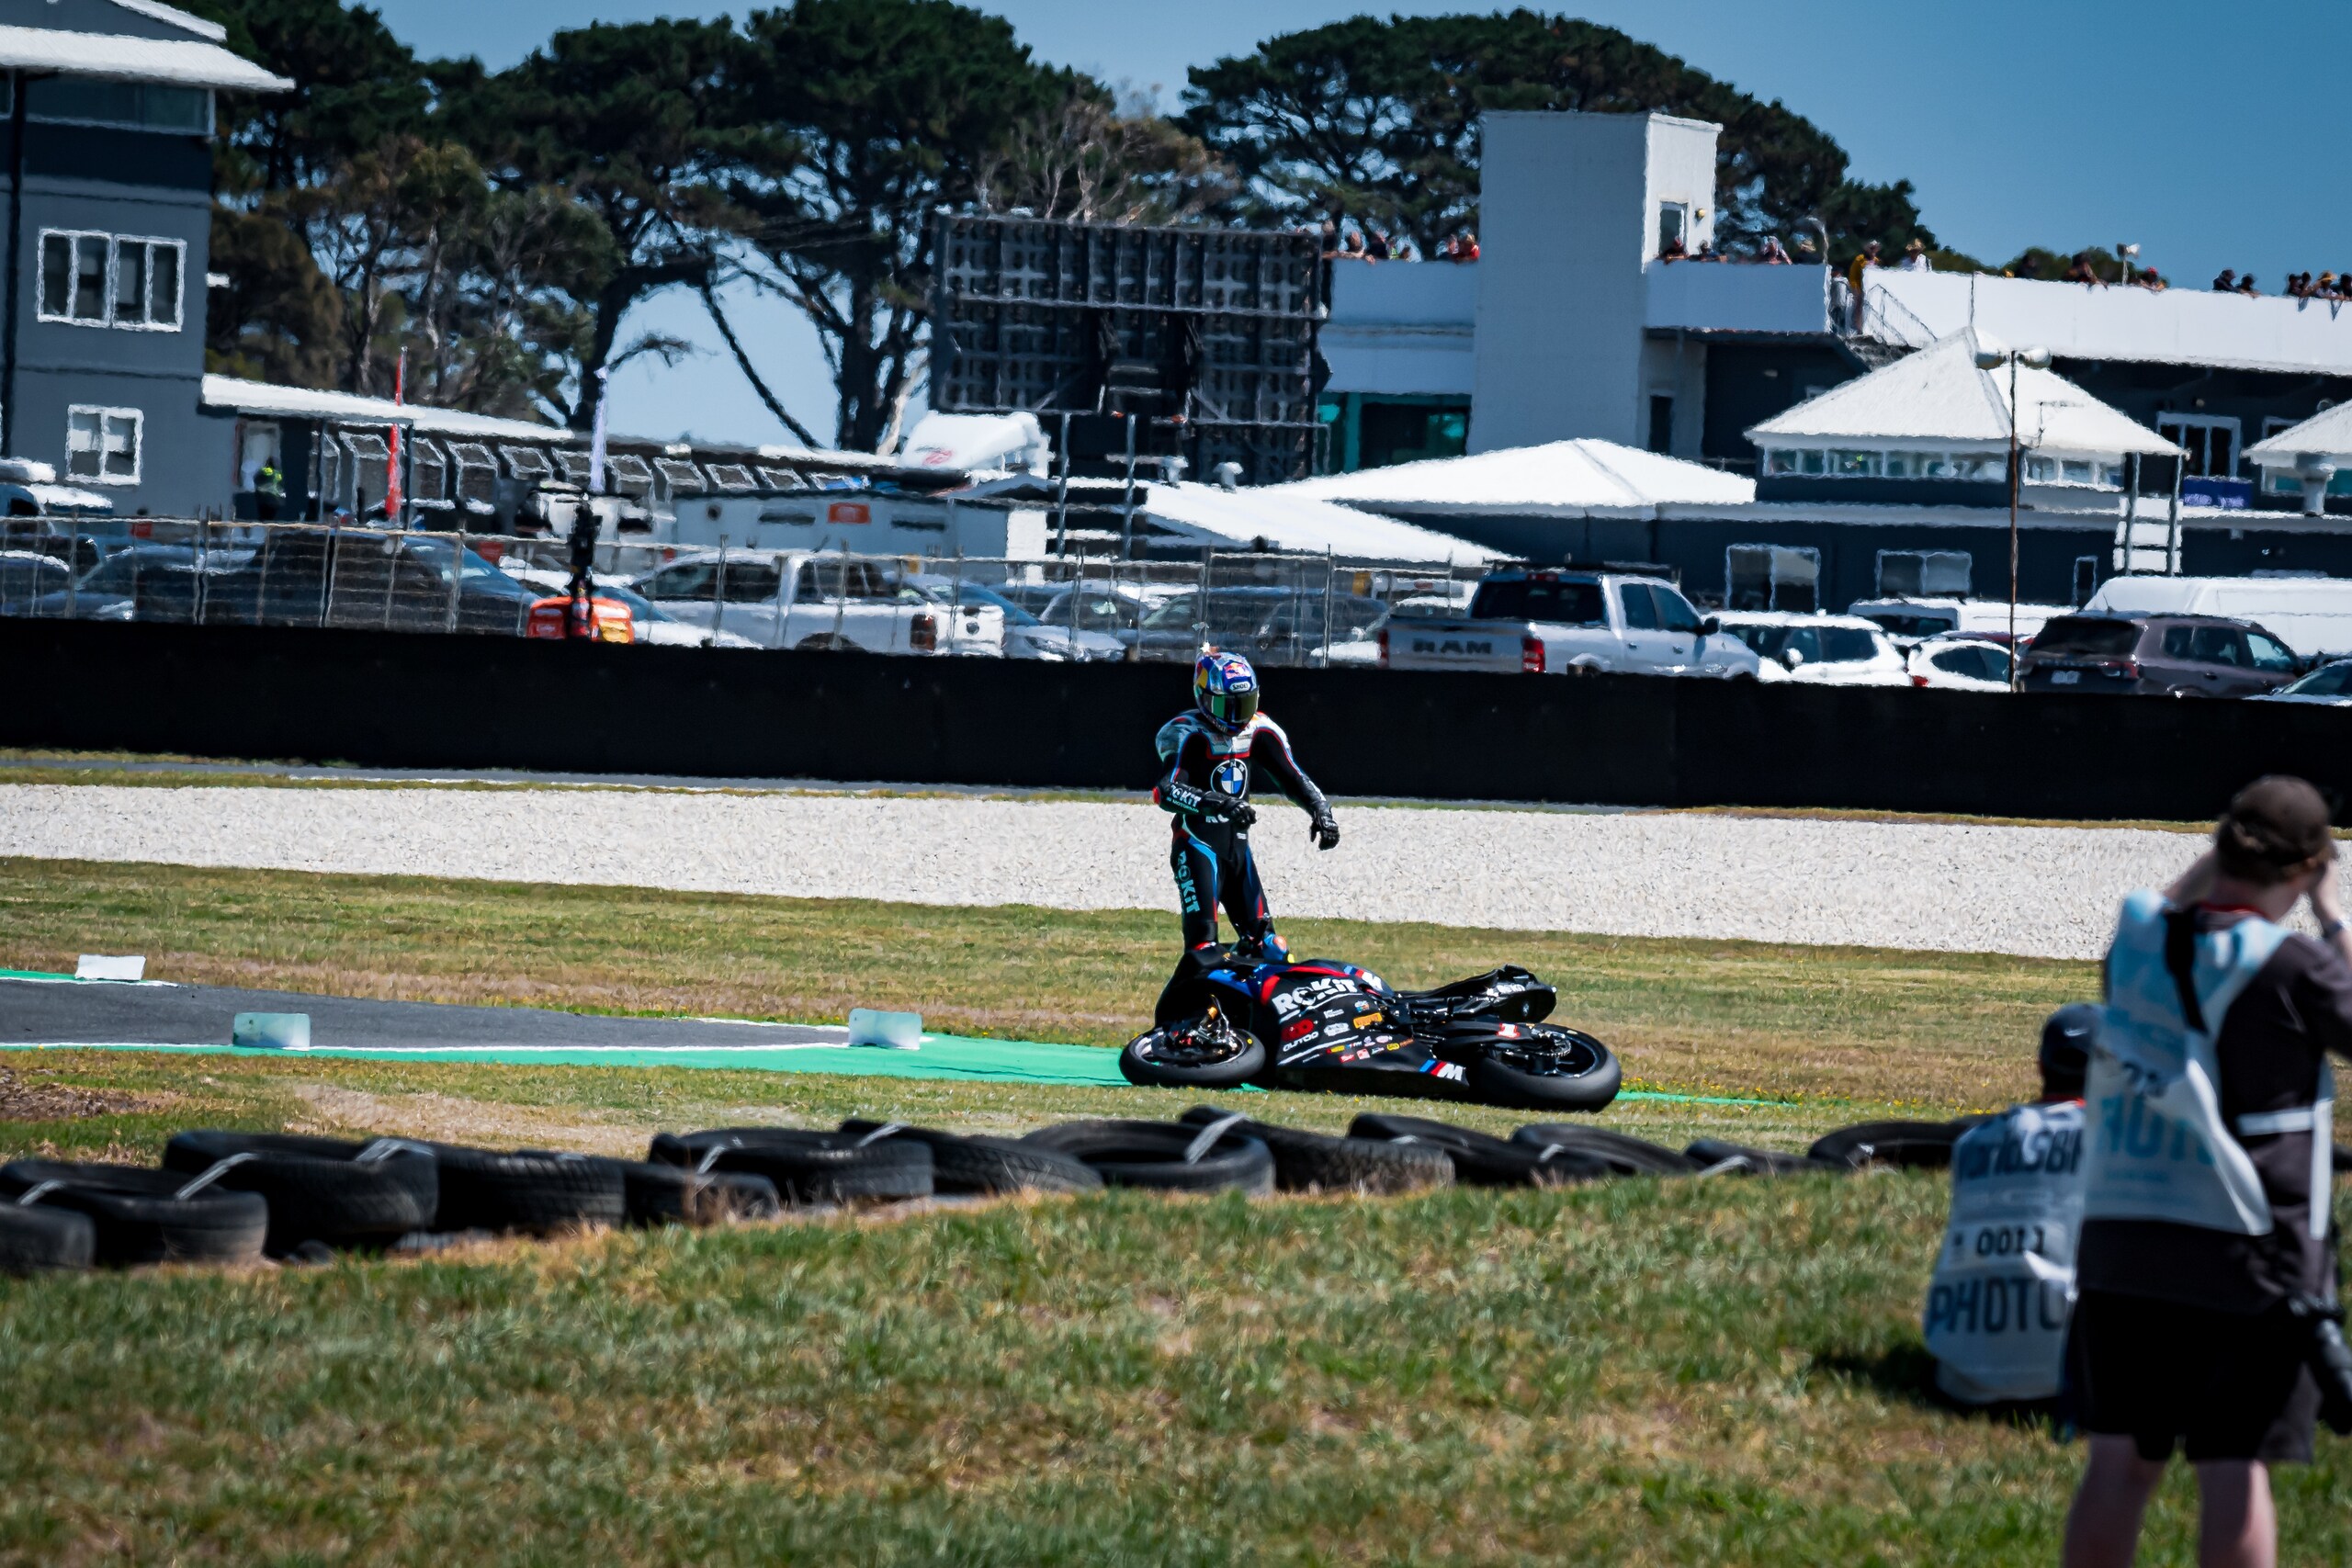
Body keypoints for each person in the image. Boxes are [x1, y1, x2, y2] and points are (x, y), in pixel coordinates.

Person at [2062, 776, 2352, 1568]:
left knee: (2118, 1462)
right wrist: (2332, 913)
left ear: (2222, 847)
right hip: (2248, 1251)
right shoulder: (2291, 964)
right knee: (2233, 1461)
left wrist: (2205, 867)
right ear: (2306, 867)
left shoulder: (2136, 942)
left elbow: (2153, 922)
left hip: (2123, 1237)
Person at [1923, 1005, 2093, 1405]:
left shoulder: (1971, 1144)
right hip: (2063, 1376)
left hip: (1958, 1372)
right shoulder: (2114, 1144)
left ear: (2040, 1066)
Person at [1153, 650, 1340, 983]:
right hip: (1197, 848)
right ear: (1205, 699)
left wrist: (1320, 809)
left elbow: (1292, 777)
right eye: (1230, 706)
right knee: (1202, 948)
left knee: (1269, 946)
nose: (1240, 716)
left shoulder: (1259, 730)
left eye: (1247, 702)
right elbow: (1165, 792)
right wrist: (1219, 804)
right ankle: (1188, 1022)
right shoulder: (1185, 733)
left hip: (1239, 852)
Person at [1847, 241, 1881, 329]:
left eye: (1875, 248)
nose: (1873, 250)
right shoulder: (1860, 259)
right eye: (1871, 248)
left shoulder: (1877, 261)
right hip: (1860, 287)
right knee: (1859, 307)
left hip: (1872, 288)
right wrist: (1855, 288)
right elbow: (1853, 275)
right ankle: (1859, 327)